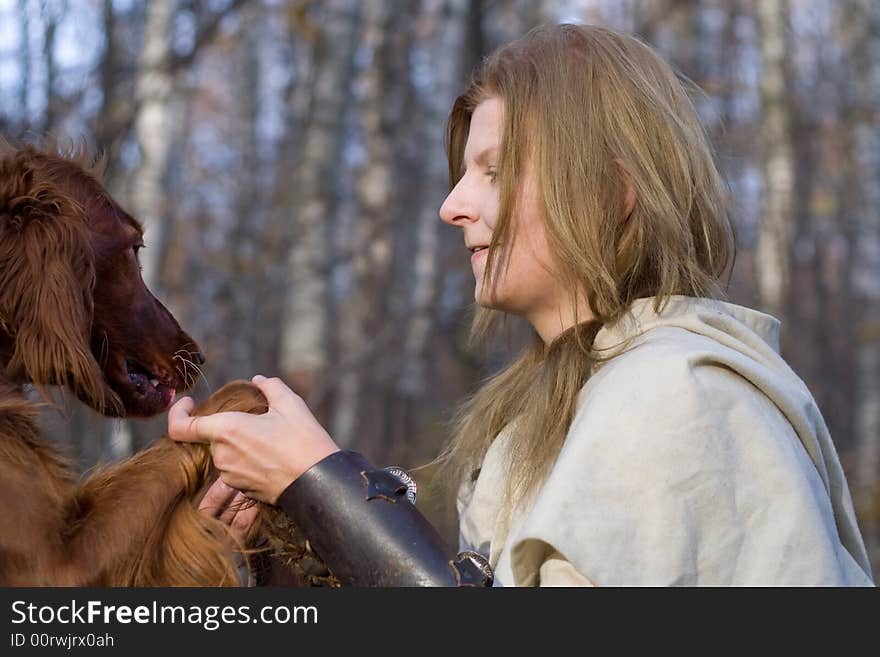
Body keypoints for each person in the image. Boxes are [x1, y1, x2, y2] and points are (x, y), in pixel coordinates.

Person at [169, 23, 874, 586]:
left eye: (495, 171)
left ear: (609, 193)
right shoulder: (553, 414)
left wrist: (320, 483)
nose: (452, 206)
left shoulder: (676, 396)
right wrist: (300, 525)